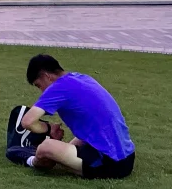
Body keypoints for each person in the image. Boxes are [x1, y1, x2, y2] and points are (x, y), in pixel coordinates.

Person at [7, 54, 136, 179]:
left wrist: (48, 129)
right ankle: (52, 155)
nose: (42, 91)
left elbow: (27, 122)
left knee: (46, 147)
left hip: (109, 163)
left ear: (47, 76)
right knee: (67, 144)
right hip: (127, 158)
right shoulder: (83, 78)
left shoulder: (59, 87)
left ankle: (30, 159)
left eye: (39, 85)